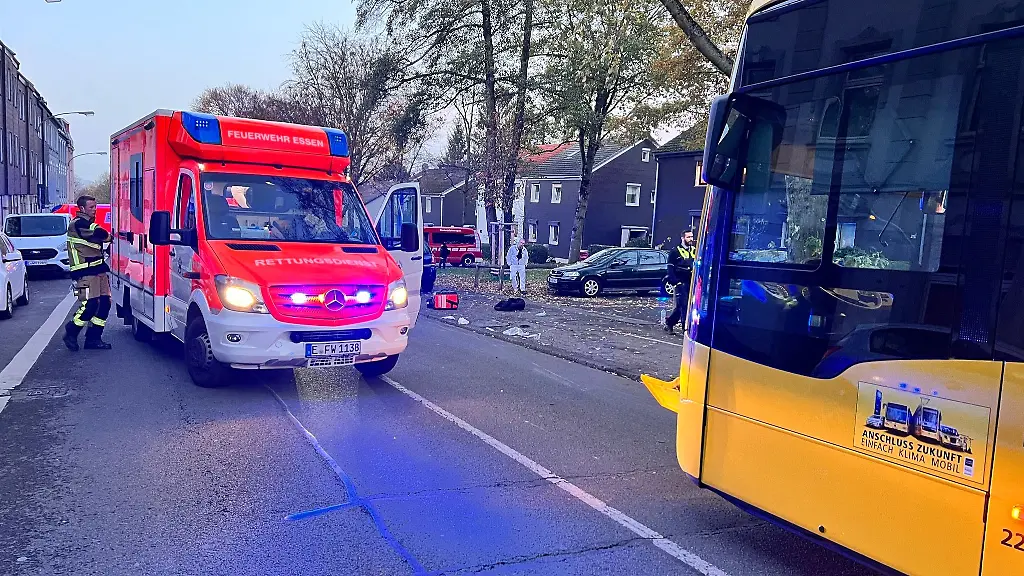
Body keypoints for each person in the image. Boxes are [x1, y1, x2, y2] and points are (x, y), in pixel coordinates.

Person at [62, 195, 113, 351]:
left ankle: (93, 338)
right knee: (89, 305)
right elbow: (99, 233)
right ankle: (71, 331)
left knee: (105, 303)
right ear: (82, 209)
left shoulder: (88, 223)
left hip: (99, 270)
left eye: (95, 206)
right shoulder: (77, 224)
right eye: (91, 207)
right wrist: (109, 237)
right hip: (83, 273)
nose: (94, 210)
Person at [664, 228, 696, 335]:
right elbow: (670, 268)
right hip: (680, 282)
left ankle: (670, 322)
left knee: (682, 306)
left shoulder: (694, 250)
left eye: (691, 236)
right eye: (688, 237)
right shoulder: (675, 252)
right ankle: (685, 328)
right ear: (683, 238)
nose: (691, 239)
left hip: (692, 282)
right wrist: (675, 281)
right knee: (684, 305)